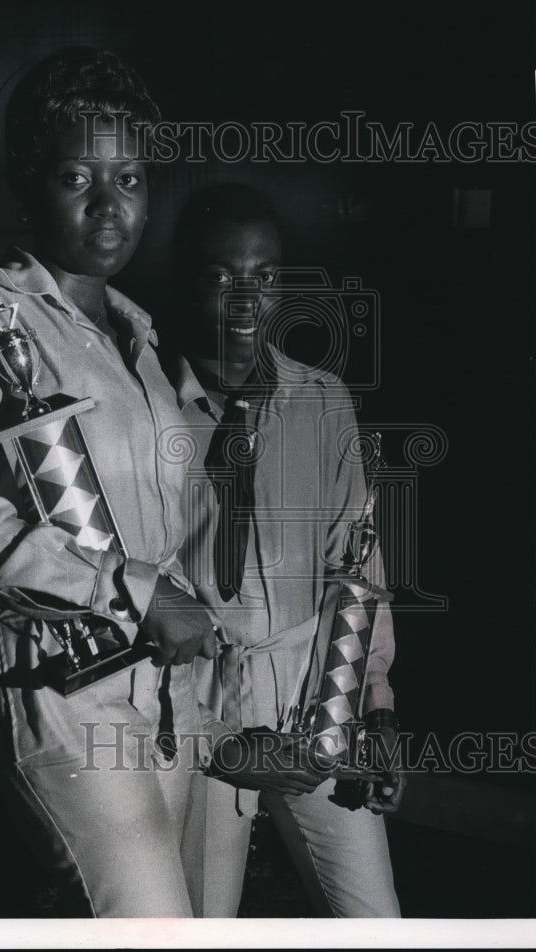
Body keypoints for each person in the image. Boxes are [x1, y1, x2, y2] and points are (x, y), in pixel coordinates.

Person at [0, 48, 228, 919]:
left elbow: (176, 520)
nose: (110, 203)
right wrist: (130, 590)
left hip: (169, 696)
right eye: (76, 177)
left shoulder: (138, 334)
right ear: (27, 182)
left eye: (129, 176)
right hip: (64, 694)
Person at [168, 183, 405, 917]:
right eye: (219, 277)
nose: (244, 302)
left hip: (317, 713)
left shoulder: (324, 401)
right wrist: (222, 742)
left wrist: (374, 709)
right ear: (183, 279)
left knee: (375, 920)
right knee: (200, 923)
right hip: (209, 730)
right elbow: (140, 600)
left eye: (264, 278)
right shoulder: (143, 407)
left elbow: (357, 569)